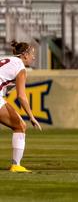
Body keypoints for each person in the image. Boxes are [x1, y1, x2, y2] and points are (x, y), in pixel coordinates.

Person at [0, 41, 42, 173]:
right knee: (20, 126)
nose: (33, 57)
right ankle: (16, 165)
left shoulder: (6, 60)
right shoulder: (20, 68)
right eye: (32, 54)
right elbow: (21, 97)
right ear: (24, 55)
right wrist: (31, 116)